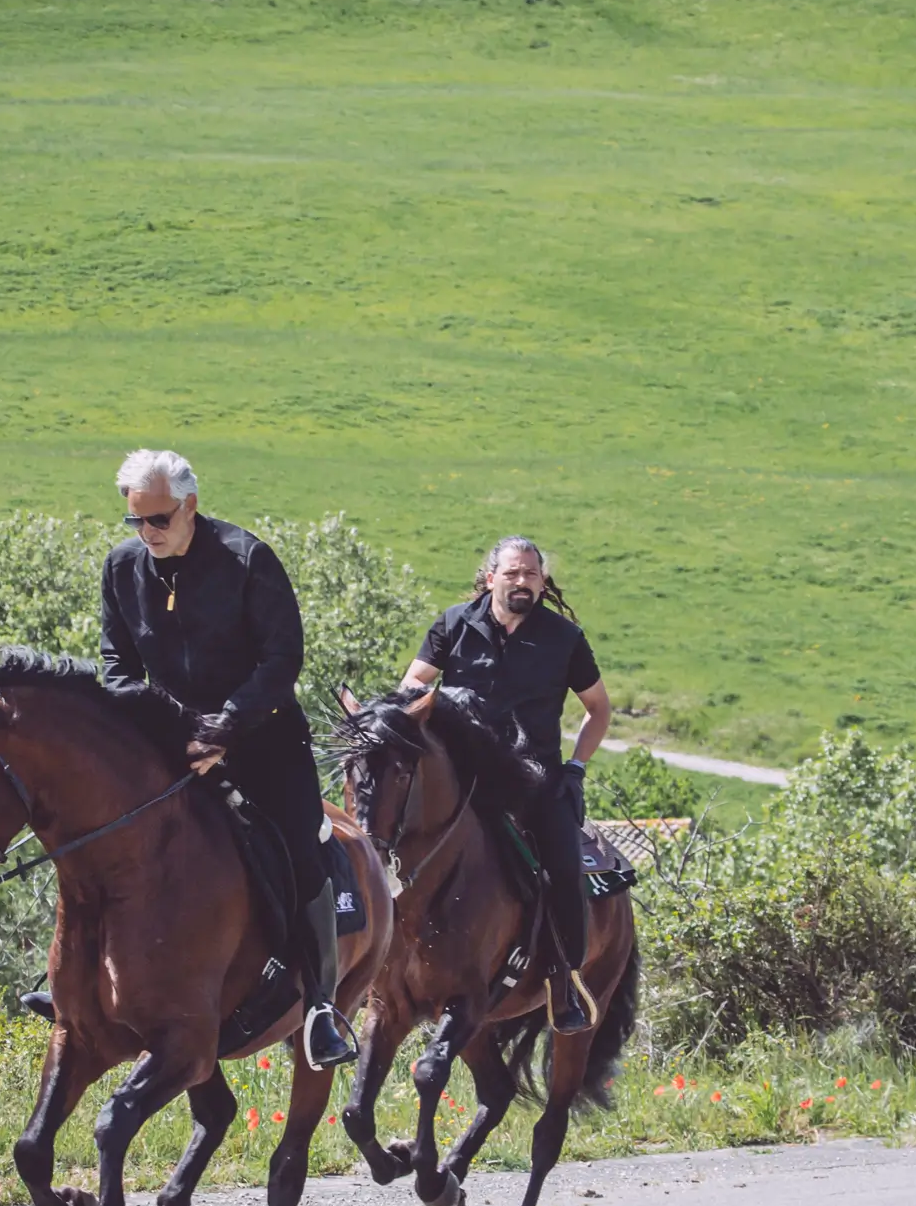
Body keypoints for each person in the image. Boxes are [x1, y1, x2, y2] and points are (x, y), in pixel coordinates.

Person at [98, 448, 357, 1069]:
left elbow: (281, 661)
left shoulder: (247, 559)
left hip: (263, 738)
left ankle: (321, 1004)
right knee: (105, 835)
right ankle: (82, 979)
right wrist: (176, 726)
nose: (147, 534)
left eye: (157, 520)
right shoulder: (122, 567)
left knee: (299, 843)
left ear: (189, 505)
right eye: (135, 522)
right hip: (175, 746)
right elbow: (115, 668)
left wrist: (225, 729)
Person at [402, 536, 613, 1034]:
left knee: (563, 866)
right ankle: (377, 968)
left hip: (534, 782)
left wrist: (576, 768)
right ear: (491, 576)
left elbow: (598, 710)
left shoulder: (564, 639)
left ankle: (564, 980)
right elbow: (412, 685)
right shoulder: (453, 624)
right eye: (514, 573)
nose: (523, 583)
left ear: (542, 582)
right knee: (390, 842)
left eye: (532, 575)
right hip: (462, 780)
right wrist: (416, 704)